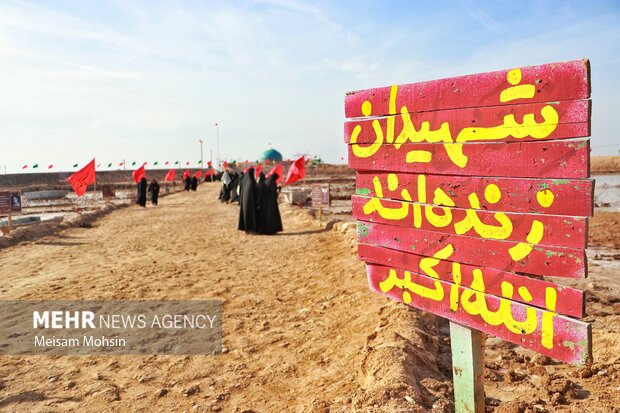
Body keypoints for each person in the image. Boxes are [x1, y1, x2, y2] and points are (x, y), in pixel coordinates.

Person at [238, 168, 258, 233]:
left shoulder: (244, 181)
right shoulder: (251, 182)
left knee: (245, 214)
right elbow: (255, 192)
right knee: (251, 215)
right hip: (251, 202)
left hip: (244, 202)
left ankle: (246, 228)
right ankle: (251, 228)